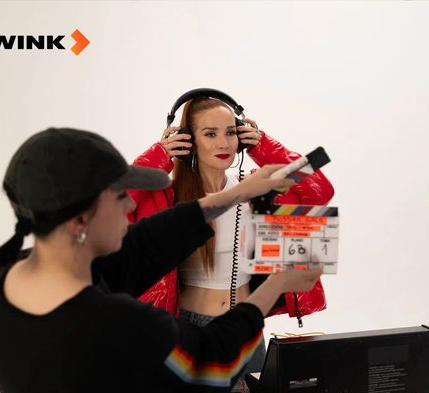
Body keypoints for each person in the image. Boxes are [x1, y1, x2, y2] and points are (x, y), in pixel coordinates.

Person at [0, 128, 322, 393]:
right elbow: (207, 367)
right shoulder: (115, 323)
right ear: (80, 220)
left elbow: (142, 245)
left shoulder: (3, 279)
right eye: (119, 196)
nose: (131, 203)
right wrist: (275, 285)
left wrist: (238, 193)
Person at [130, 95, 334, 371]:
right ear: (187, 140)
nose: (224, 143)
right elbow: (116, 202)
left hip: (246, 330)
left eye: (231, 132)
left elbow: (321, 190)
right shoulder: (167, 196)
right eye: (210, 134)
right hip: (189, 332)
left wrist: (265, 147)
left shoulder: (256, 186)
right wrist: (159, 157)